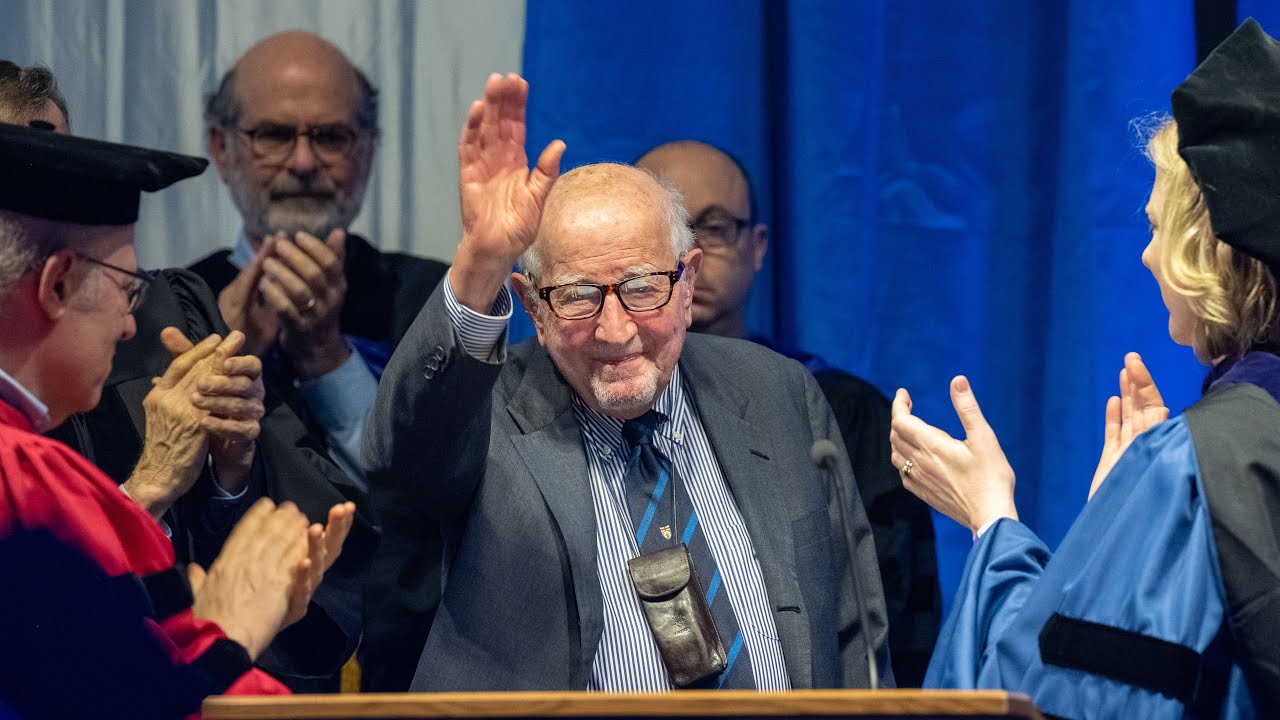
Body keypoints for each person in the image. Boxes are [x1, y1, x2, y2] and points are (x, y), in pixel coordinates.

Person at [365, 73, 890, 691]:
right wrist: (481, 260)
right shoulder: (483, 414)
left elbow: (856, 636)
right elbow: (403, 456)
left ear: (688, 280)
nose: (616, 332)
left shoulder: (779, 392)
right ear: (531, 305)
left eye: (643, 288)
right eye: (578, 297)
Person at [890, 19, 1280, 718]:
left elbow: (1045, 697)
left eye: (1158, 228)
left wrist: (992, 520)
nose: (1147, 257)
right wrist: (1123, 535)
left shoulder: (1197, 469)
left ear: (1212, 253)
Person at [0, 61, 377, 692]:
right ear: (57, 279)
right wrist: (148, 489)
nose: (69, 194)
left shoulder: (169, 313)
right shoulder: (21, 465)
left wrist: (231, 469)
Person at [191, 35, 449, 689]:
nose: (303, 162)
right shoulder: (174, 304)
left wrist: (324, 354)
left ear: (365, 151)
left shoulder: (433, 303)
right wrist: (229, 349)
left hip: (410, 666)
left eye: (330, 137)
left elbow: (436, 500)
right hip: (223, 671)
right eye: (274, 135)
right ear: (221, 148)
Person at [636, 140, 941, 686]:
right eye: (666, 230)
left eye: (713, 227)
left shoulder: (838, 413)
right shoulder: (581, 411)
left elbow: (890, 621)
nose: (688, 255)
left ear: (757, 246)